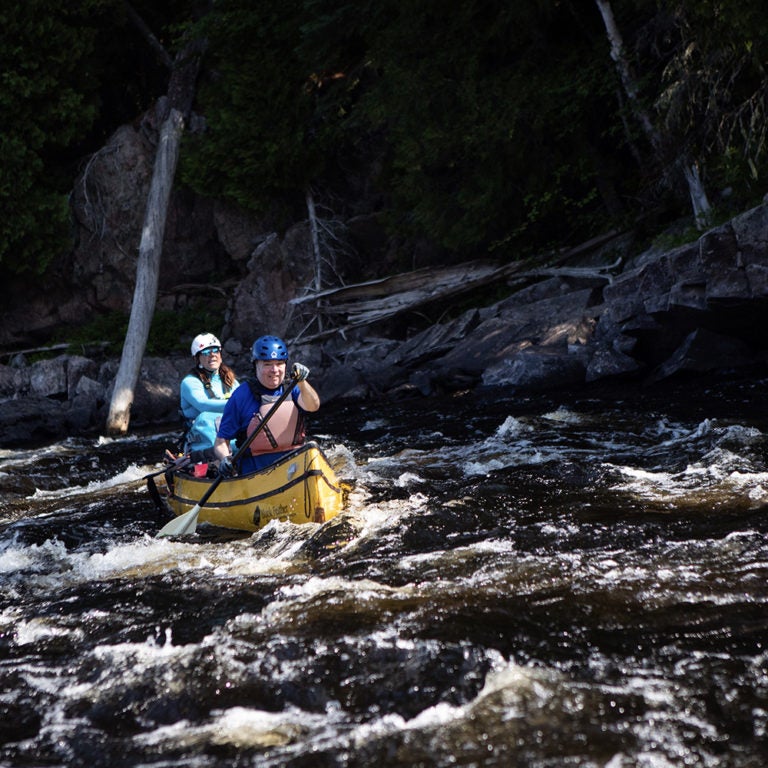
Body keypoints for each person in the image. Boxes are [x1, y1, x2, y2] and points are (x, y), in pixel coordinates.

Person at [213, 335, 318, 476]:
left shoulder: (292, 387)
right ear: (256, 365)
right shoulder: (241, 396)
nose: (274, 370)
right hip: (257, 472)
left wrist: (302, 382)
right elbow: (221, 441)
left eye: (279, 364)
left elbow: (313, 406)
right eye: (267, 364)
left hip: (295, 466)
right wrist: (225, 459)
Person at [178, 332, 240, 462]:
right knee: (206, 417)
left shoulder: (231, 381)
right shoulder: (189, 382)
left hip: (232, 440)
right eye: (206, 352)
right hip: (203, 447)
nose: (212, 355)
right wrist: (236, 403)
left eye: (215, 350)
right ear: (197, 358)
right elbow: (203, 405)